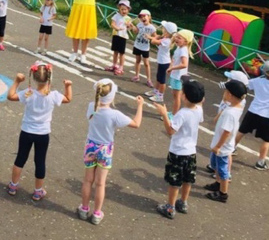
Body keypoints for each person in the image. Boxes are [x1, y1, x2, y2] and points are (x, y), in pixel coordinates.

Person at [77, 79, 144, 225]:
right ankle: (96, 213)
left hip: (91, 146)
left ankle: (84, 208)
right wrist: (140, 106)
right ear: (112, 96)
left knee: (88, 180)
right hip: (105, 149)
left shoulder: (91, 107)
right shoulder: (115, 115)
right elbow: (136, 124)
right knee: (100, 183)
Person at [6, 62, 72, 201]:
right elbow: (68, 99)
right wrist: (68, 86)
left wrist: (17, 81)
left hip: (27, 131)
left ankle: (13, 185)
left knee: (20, 158)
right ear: (49, 78)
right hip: (42, 133)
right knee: (40, 161)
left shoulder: (28, 93)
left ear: (33, 77)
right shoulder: (53, 95)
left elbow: (11, 96)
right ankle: (37, 191)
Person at [154, 76, 205, 219]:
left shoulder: (182, 114)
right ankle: (183, 202)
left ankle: (170, 207)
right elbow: (201, 103)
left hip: (177, 152)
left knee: (174, 181)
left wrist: (164, 114)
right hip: (191, 152)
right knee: (188, 179)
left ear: (185, 97)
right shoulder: (198, 110)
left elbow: (171, 131)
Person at [205, 80, 247, 203]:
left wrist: (218, 146)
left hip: (223, 148)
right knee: (217, 166)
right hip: (223, 146)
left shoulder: (230, 113)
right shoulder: (235, 107)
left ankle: (223, 194)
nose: (224, 93)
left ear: (230, 95)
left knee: (223, 171)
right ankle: (218, 184)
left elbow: (226, 132)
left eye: (226, 91)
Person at [234, 60, 269, 170]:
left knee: (241, 131)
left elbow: (245, 85)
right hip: (267, 116)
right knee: (266, 140)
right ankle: (261, 162)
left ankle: (231, 148)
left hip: (253, 111)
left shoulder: (258, 81)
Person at [147, 20, 177, 102]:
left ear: (167, 32)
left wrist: (156, 37)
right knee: (158, 78)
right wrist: (152, 37)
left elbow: (154, 41)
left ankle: (160, 96)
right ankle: (155, 91)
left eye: (164, 29)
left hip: (164, 62)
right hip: (162, 61)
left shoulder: (166, 41)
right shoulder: (165, 39)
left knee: (162, 80)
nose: (162, 29)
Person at [166, 29, 194, 115]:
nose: (176, 39)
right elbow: (174, 59)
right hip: (175, 75)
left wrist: (172, 68)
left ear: (186, 41)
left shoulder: (183, 50)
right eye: (176, 37)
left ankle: (174, 115)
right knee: (175, 95)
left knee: (177, 97)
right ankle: (174, 112)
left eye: (179, 38)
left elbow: (184, 64)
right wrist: (171, 67)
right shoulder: (179, 47)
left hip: (179, 77)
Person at [128, 9, 156, 87]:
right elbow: (136, 31)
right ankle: (137, 76)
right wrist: (132, 26)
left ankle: (149, 80)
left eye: (144, 16)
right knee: (137, 61)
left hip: (145, 48)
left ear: (149, 17)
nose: (143, 18)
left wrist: (150, 37)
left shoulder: (152, 28)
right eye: (141, 17)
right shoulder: (140, 24)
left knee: (146, 63)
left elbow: (155, 37)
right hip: (137, 45)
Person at [105, 0, 132, 75]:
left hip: (123, 36)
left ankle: (121, 67)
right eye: (122, 9)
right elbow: (112, 24)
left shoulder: (128, 18)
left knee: (122, 53)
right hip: (116, 35)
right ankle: (114, 65)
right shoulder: (116, 16)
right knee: (115, 51)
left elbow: (129, 28)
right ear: (119, 9)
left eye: (125, 9)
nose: (124, 11)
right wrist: (116, 28)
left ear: (128, 10)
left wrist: (129, 26)